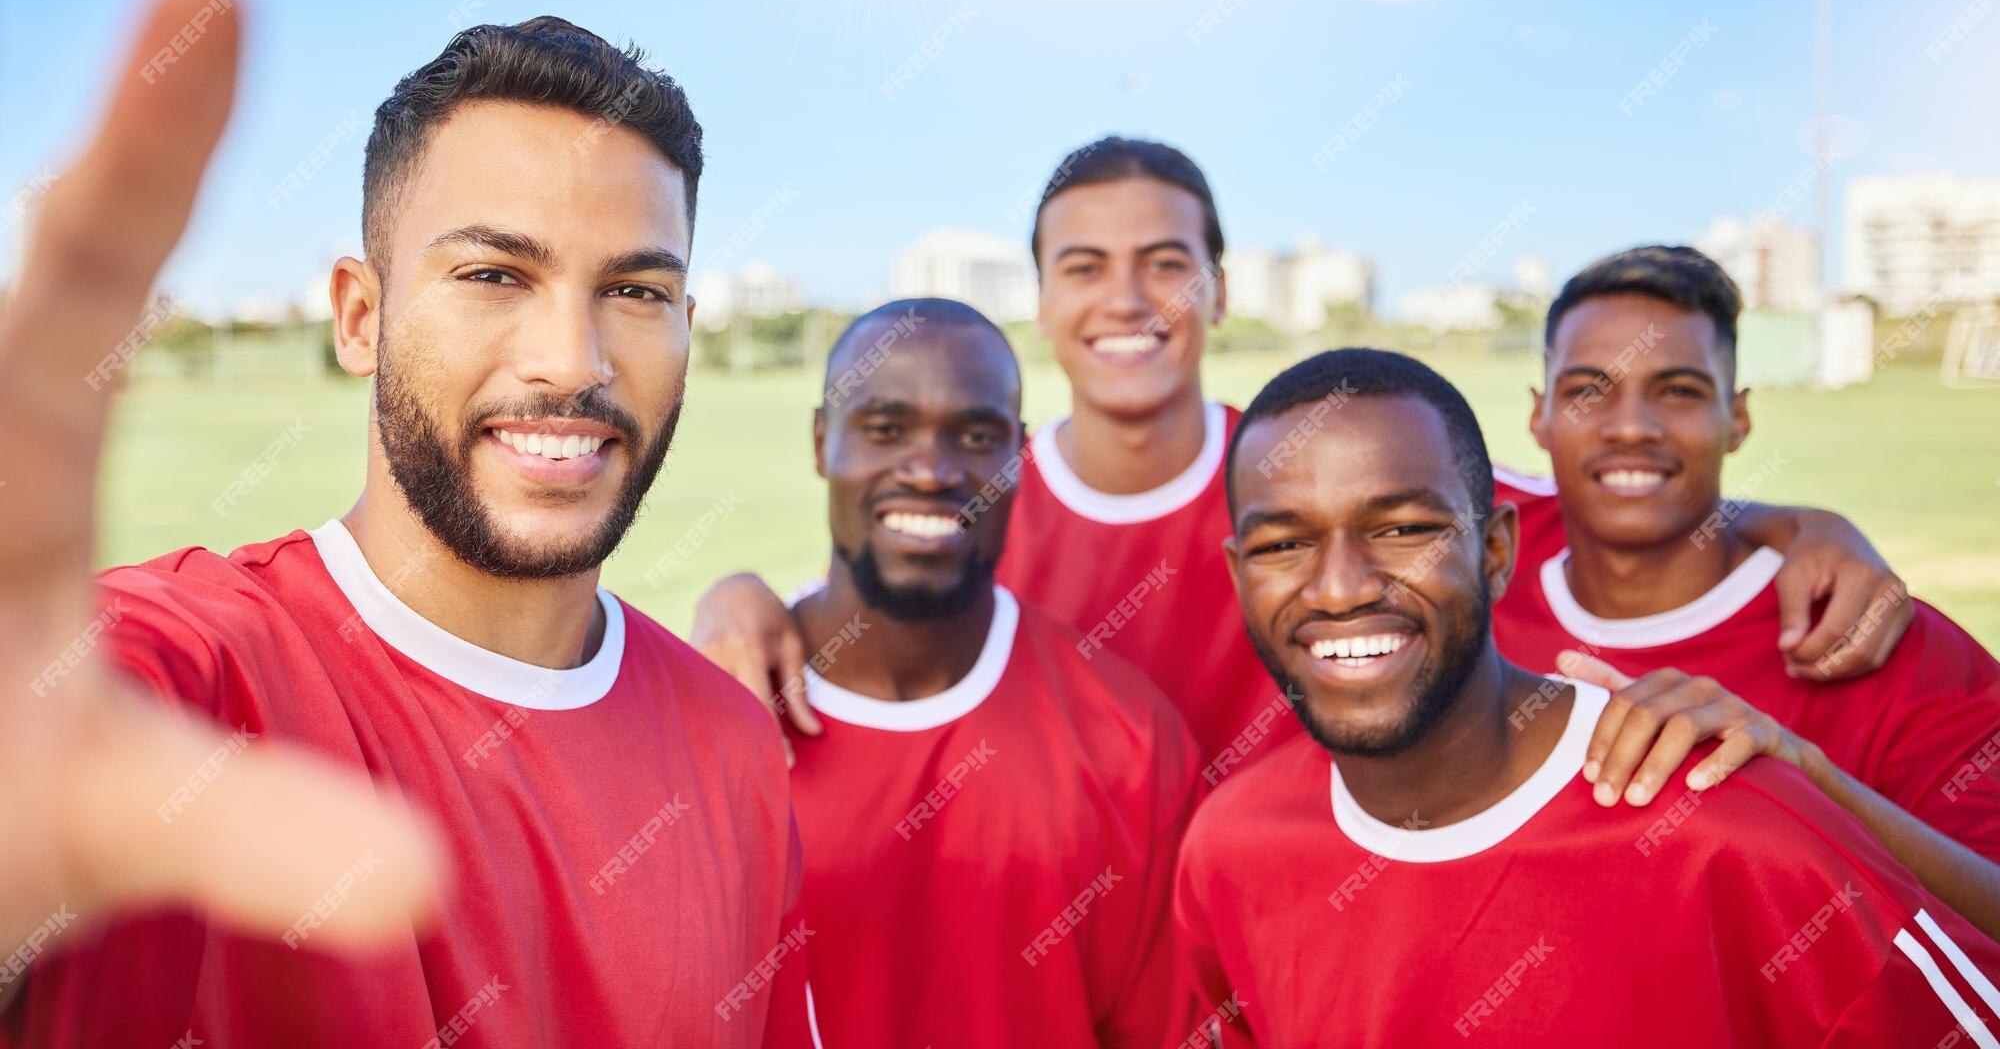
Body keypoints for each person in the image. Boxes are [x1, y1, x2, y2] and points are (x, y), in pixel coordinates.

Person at [1, 0, 807, 1046]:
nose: (572, 359)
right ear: (360, 316)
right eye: (491, 272)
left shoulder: (734, 745)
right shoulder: (178, 676)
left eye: (635, 291)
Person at [693, 137, 1916, 780]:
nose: (1128, 297)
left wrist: (1788, 520)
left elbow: (1600, 497)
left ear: (1218, 288)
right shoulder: (987, 494)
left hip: (1313, 911)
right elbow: (869, 603)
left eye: (1166, 260)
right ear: (1044, 301)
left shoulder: (1316, 478)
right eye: (1084, 265)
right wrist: (732, 595)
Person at [1172, 347, 2000, 1047]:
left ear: (1496, 553)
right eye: (1285, 542)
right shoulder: (1227, 850)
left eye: (1404, 529)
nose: (1342, 587)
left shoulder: (1728, 823)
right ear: (1239, 571)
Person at [1488, 244, 2000, 932]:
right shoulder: (1464, 547)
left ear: (1739, 418)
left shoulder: (1875, 636)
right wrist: (1792, 520)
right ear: (1539, 417)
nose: (1632, 425)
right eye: (1587, 389)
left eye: (1678, 391)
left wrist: (1807, 780)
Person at [787, 298, 1198, 1046]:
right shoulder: (718, 712)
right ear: (823, 442)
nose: (932, 470)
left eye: (976, 436)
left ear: (1020, 454)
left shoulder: (1130, 735)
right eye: (885, 429)